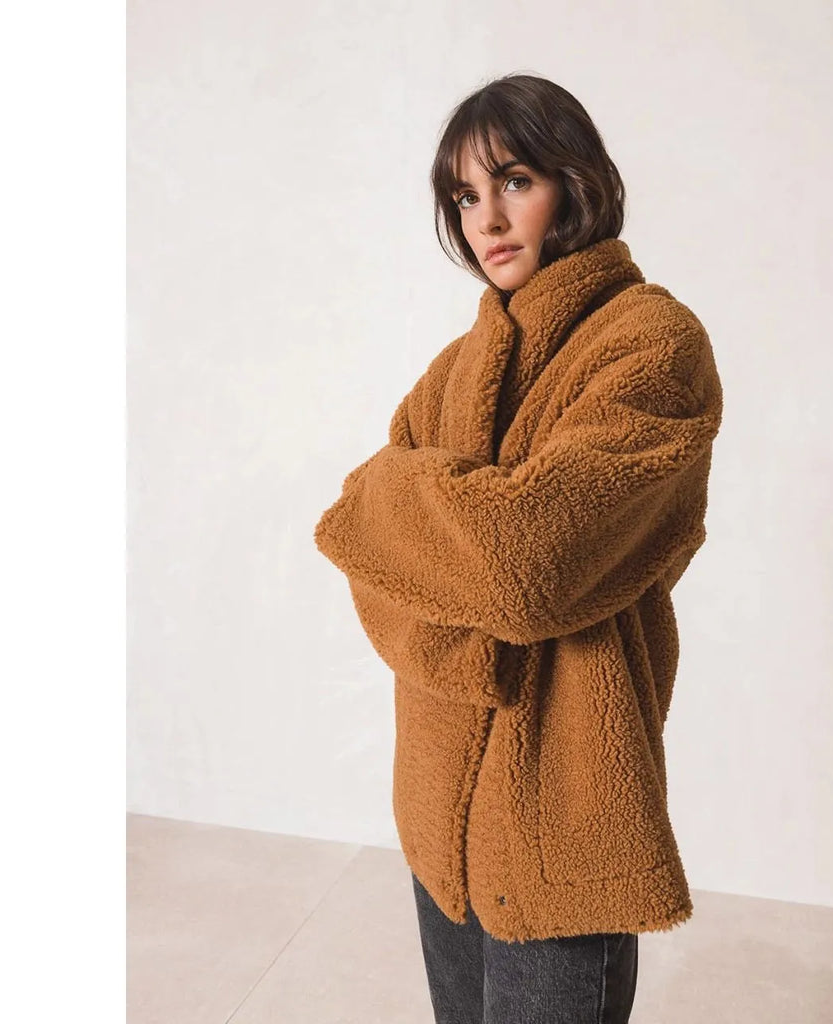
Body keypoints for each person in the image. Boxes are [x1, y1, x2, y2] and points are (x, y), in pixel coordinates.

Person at [315, 72, 724, 1024]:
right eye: (465, 196)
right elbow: (357, 540)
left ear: (574, 182)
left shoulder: (654, 344)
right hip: (437, 816)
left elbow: (525, 565)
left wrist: (406, 504)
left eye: (514, 180)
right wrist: (453, 584)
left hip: (558, 821)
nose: (487, 219)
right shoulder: (454, 368)